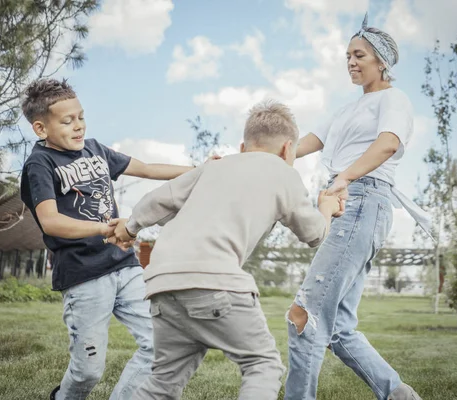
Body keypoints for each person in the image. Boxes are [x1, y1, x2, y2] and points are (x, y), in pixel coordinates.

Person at [108, 100, 343, 400]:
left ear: (244, 147)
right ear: (287, 150)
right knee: (263, 364)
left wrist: (129, 229)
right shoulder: (284, 173)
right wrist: (326, 208)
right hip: (214, 281)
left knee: (163, 383)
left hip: (161, 284)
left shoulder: (213, 167)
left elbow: (158, 201)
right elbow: (313, 234)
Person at [19, 78, 196, 400]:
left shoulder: (96, 149)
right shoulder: (40, 163)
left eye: (81, 117)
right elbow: (51, 222)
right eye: (67, 121)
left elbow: (146, 168)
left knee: (159, 346)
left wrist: (198, 171)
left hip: (125, 266)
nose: (78, 127)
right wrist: (105, 229)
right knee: (88, 372)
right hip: (83, 275)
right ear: (41, 129)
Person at [284, 13, 426, 400]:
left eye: (359, 54)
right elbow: (304, 143)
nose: (350, 61)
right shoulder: (347, 109)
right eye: (347, 55)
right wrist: (256, 157)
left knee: (304, 315)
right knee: (338, 327)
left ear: (382, 61)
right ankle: (399, 395)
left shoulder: (393, 99)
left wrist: (344, 177)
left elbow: (387, 144)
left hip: (363, 199)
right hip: (350, 202)